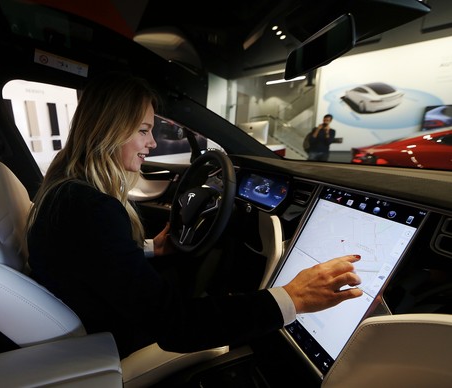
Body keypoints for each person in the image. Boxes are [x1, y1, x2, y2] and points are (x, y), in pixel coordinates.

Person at [26, 72, 363, 359]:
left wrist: (148, 250)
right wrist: (294, 297)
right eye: (143, 131)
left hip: (100, 318)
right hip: (114, 343)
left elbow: (91, 257)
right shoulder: (90, 207)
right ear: (108, 131)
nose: (153, 143)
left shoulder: (69, 192)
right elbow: (176, 326)